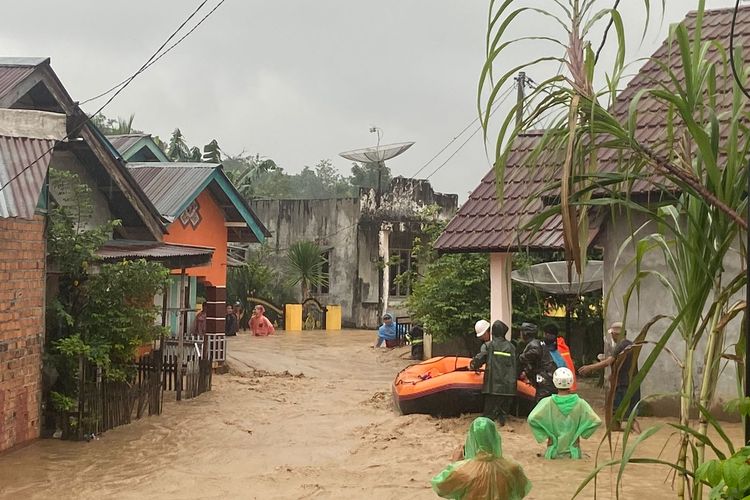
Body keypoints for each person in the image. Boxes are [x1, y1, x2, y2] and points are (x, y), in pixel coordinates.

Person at [432, 417, 532, 500]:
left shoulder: (463, 471)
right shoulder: (512, 468)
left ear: (471, 439)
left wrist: (455, 463)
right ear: (495, 437)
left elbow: (441, 488)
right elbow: (521, 492)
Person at [578, 322, 641, 433]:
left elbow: (609, 361)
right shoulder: (630, 344)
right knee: (625, 411)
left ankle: (635, 430)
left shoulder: (621, 345)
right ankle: (618, 427)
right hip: (631, 382)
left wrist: (590, 367)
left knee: (623, 411)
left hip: (623, 383)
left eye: (612, 334)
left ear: (616, 334)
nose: (611, 336)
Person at [527, 367, 601, 459]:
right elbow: (596, 421)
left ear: (554, 382)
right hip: (574, 453)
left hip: (552, 452)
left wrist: (547, 434)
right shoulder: (580, 403)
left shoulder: (547, 402)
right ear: (571, 382)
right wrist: (581, 433)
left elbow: (532, 419)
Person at [470, 320, 517, 426]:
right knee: (503, 416)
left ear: (492, 332)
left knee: (488, 416)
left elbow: (479, 359)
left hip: (493, 388)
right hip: (509, 388)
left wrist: (472, 365)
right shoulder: (512, 347)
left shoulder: (488, 346)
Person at [519, 324, 557, 402]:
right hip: (547, 378)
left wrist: (522, 358)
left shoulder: (534, 345)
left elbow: (530, 357)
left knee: (541, 404)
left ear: (526, 333)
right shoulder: (538, 343)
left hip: (545, 380)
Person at [543, 323, 578, 391]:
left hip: (558, 383)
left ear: (547, 334)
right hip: (568, 383)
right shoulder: (563, 346)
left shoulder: (553, 349)